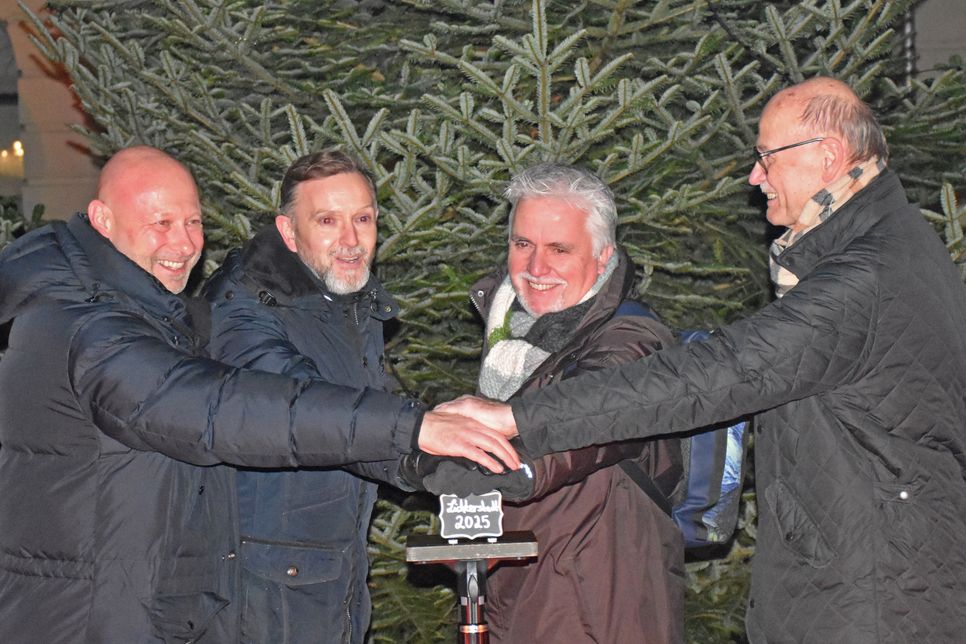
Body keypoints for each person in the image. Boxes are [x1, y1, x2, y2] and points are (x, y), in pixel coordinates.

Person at [440, 77, 966, 642]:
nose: (754, 176)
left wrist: (519, 418)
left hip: (876, 591)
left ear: (829, 156)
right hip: (872, 564)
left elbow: (724, 372)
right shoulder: (889, 245)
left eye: (766, 157)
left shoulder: (866, 276)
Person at [0, 146, 515, 644]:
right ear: (102, 219)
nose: (183, 245)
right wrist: (415, 427)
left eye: (193, 223)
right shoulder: (85, 326)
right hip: (85, 616)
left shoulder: (146, 309)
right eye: (161, 224)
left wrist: (430, 455)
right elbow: (219, 410)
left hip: (131, 602)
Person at [203, 150, 425, 643]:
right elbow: (307, 408)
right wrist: (425, 441)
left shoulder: (344, 301)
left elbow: (365, 423)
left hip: (329, 575)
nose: (351, 240)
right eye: (327, 221)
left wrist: (438, 459)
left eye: (363, 219)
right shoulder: (242, 309)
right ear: (288, 232)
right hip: (263, 591)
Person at [467, 163, 686, 642]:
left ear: (603, 255)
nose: (535, 268)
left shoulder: (632, 343)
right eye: (522, 244)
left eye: (559, 249)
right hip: (525, 595)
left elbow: (574, 431)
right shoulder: (513, 336)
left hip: (597, 608)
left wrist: (444, 454)